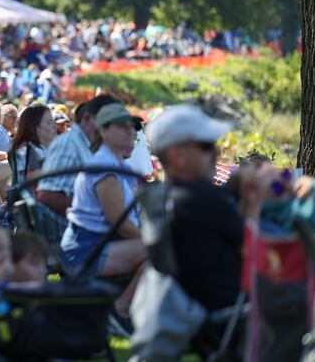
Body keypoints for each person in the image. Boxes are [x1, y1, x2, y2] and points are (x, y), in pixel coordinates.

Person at [145, 104, 268, 311]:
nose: (217, 151)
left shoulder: (163, 196)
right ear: (178, 155)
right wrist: (255, 203)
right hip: (231, 316)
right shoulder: (202, 199)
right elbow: (254, 249)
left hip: (190, 315)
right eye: (206, 145)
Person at [61, 102, 146, 331]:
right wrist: (150, 237)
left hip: (99, 245)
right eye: (123, 126)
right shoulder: (104, 167)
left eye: (133, 127)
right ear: (104, 131)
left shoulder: (117, 164)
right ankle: (120, 310)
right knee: (160, 249)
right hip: (86, 250)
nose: (131, 131)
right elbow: (120, 223)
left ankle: (142, 312)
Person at [37, 94, 119, 216]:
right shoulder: (69, 144)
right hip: (74, 229)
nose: (108, 128)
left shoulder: (85, 144)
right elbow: (48, 195)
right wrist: (94, 213)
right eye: (104, 122)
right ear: (86, 118)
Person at [11, 103, 56, 184]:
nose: (54, 126)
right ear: (35, 127)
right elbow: (26, 188)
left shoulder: (43, 149)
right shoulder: (25, 152)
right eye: (49, 122)